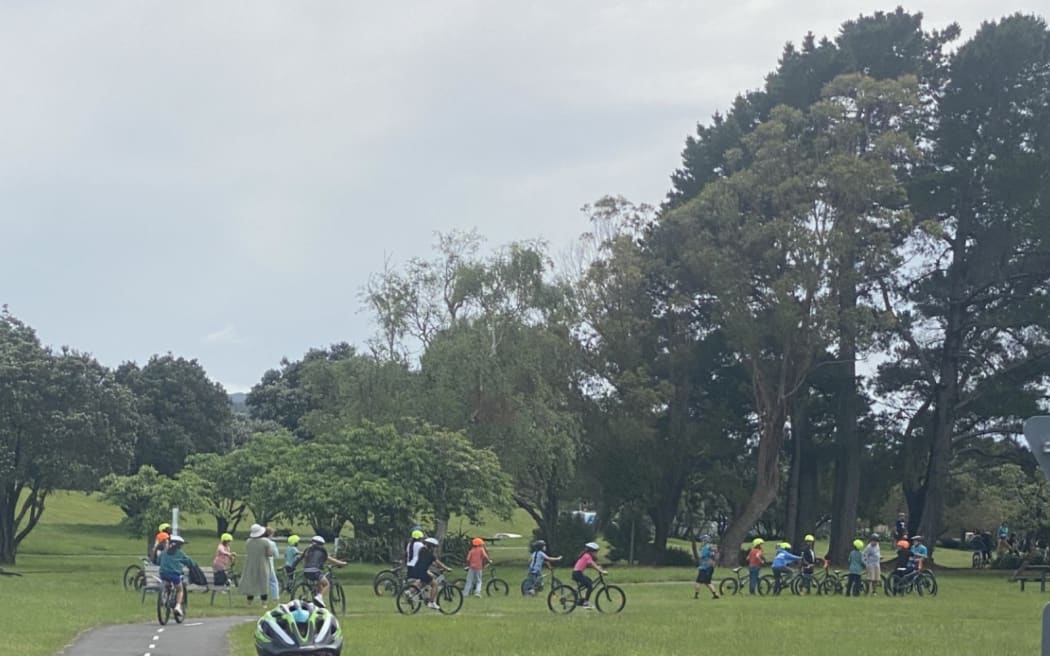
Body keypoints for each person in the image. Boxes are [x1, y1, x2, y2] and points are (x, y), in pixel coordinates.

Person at [292, 535, 347, 607]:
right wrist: (342, 563)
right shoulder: (321, 550)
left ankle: (315, 601)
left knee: (319, 584)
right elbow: (330, 559)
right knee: (327, 584)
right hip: (315, 571)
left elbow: (301, 558)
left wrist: (293, 567)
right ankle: (319, 597)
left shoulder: (308, 550)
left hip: (306, 571)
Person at [158, 535, 197, 621]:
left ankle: (165, 597)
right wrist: (192, 564)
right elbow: (189, 562)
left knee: (167, 583)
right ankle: (178, 606)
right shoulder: (180, 553)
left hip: (163, 574)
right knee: (180, 589)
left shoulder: (164, 552)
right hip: (174, 575)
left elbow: (158, 561)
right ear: (179, 545)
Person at [406, 536, 449, 610]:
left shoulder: (422, 551)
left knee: (423, 581)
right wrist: (446, 568)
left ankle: (409, 592)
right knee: (435, 584)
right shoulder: (430, 554)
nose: (434, 549)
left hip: (416, 570)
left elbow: (430, 562)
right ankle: (431, 602)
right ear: (431, 546)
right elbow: (437, 562)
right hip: (422, 571)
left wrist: (437, 567)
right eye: (434, 547)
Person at [238, 523, 273, 605]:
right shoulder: (265, 542)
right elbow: (269, 554)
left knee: (251, 582)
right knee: (263, 582)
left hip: (250, 564)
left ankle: (249, 602)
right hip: (262, 564)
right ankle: (264, 602)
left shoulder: (248, 542)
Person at [572, 542, 607, 608]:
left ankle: (576, 590)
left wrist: (598, 568)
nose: (596, 553)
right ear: (591, 551)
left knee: (589, 581)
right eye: (595, 551)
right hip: (577, 573)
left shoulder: (586, 555)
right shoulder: (587, 556)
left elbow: (592, 564)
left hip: (577, 573)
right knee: (590, 586)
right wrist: (601, 571)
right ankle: (586, 603)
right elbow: (592, 565)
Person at [690, 534, 718, 600]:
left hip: (704, 567)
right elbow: (713, 555)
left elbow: (701, 556)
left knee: (698, 582)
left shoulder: (705, 548)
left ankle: (696, 595)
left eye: (702, 540)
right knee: (708, 582)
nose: (701, 542)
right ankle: (715, 594)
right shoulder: (711, 547)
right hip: (710, 567)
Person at [264, 527, 280, 600]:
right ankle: (275, 597)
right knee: (273, 581)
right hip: (269, 563)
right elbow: (276, 555)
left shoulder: (259, 542)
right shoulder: (272, 543)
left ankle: (259, 596)